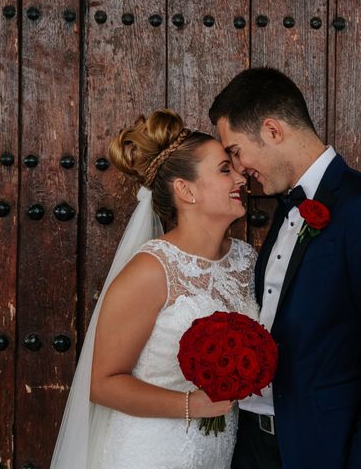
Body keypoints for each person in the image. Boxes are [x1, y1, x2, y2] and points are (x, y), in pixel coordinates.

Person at [209, 68, 361, 468]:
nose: (238, 167)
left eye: (235, 150)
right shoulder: (285, 206)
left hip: (323, 450)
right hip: (251, 445)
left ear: (272, 130)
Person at [50, 109, 259, 468]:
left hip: (220, 450)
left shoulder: (247, 260)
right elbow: (103, 383)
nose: (241, 176)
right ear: (186, 190)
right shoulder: (151, 270)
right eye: (225, 169)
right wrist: (192, 405)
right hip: (150, 452)